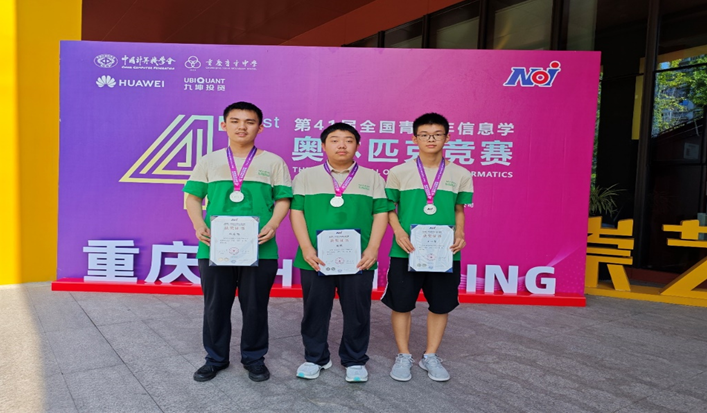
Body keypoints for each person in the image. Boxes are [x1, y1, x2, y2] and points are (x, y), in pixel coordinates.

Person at [183, 101, 292, 382]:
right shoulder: (209, 161)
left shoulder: (273, 162)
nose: (242, 127)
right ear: (224, 125)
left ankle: (254, 358)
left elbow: (283, 199)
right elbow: (193, 197)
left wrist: (273, 224)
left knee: (255, 305)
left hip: (260, 247)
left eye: (249, 122)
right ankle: (215, 358)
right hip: (214, 246)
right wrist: (198, 224)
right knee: (215, 305)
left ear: (260, 127)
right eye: (235, 121)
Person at [290, 122, 390, 383]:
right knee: (315, 310)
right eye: (334, 140)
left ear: (357, 145)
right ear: (323, 146)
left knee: (358, 311)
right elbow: (296, 212)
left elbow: (381, 213)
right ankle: (315, 358)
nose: (342, 145)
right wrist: (306, 247)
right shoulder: (305, 176)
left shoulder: (372, 178)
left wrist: (372, 248)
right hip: (315, 258)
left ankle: (355, 360)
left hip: (359, 259)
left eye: (348, 140)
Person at [382, 112, 473, 382]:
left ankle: (430, 356)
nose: (430, 139)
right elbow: (388, 208)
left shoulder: (461, 173)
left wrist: (461, 233)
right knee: (401, 304)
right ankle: (403, 355)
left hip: (445, 252)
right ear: (414, 139)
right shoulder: (398, 172)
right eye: (424, 135)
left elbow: (459, 209)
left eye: (436, 134)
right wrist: (398, 231)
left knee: (441, 305)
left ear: (447, 137)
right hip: (406, 250)